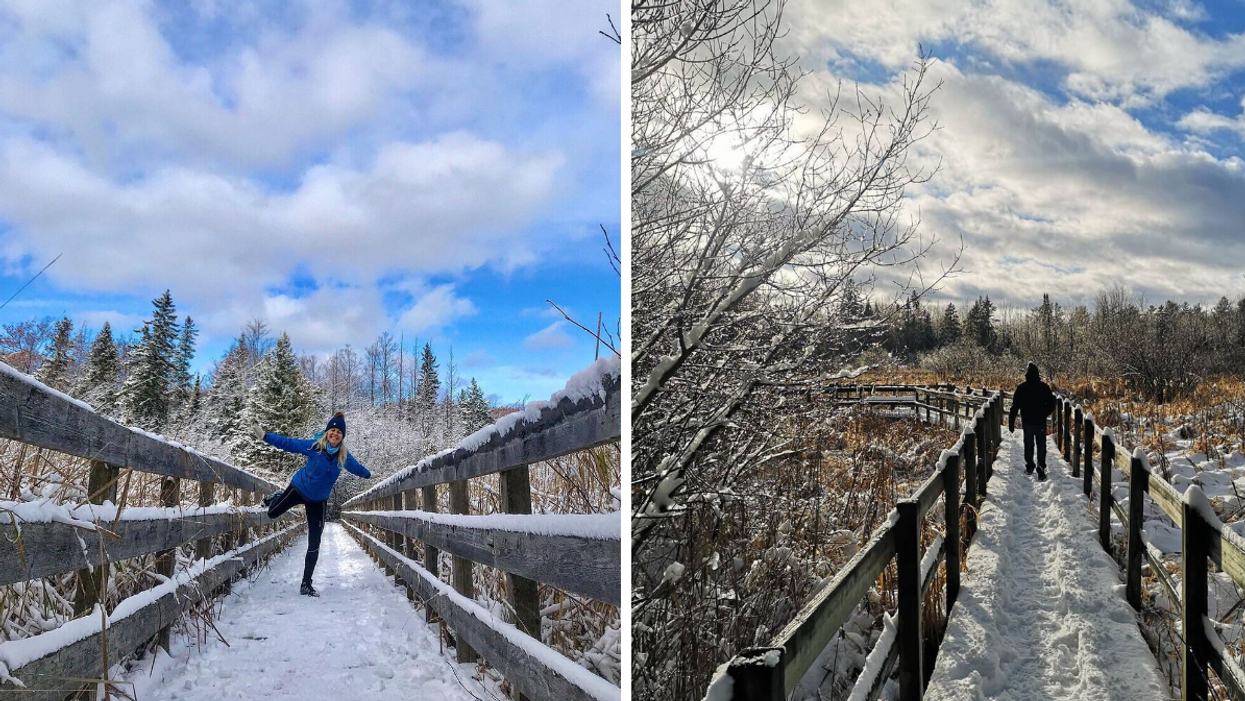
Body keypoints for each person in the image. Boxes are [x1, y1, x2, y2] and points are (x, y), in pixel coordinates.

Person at [251, 412, 371, 596]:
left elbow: (356, 468)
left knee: (315, 542)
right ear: (327, 432)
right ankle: (276, 496)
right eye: (332, 430)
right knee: (273, 513)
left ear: (342, 437)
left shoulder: (343, 457)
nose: (335, 433)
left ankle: (306, 584)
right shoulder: (314, 447)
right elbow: (290, 444)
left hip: (318, 500)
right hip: (299, 488)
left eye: (339, 432)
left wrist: (369, 475)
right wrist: (265, 436)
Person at [1008, 362, 1057, 481]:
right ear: (1037, 374)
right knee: (1041, 444)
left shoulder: (1022, 388)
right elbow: (1052, 402)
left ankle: (1030, 465)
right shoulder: (1044, 387)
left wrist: (1011, 422)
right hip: (1040, 421)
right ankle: (1041, 465)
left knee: (1028, 443)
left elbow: (1015, 406)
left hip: (1028, 421)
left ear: (1027, 374)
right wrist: (1045, 413)